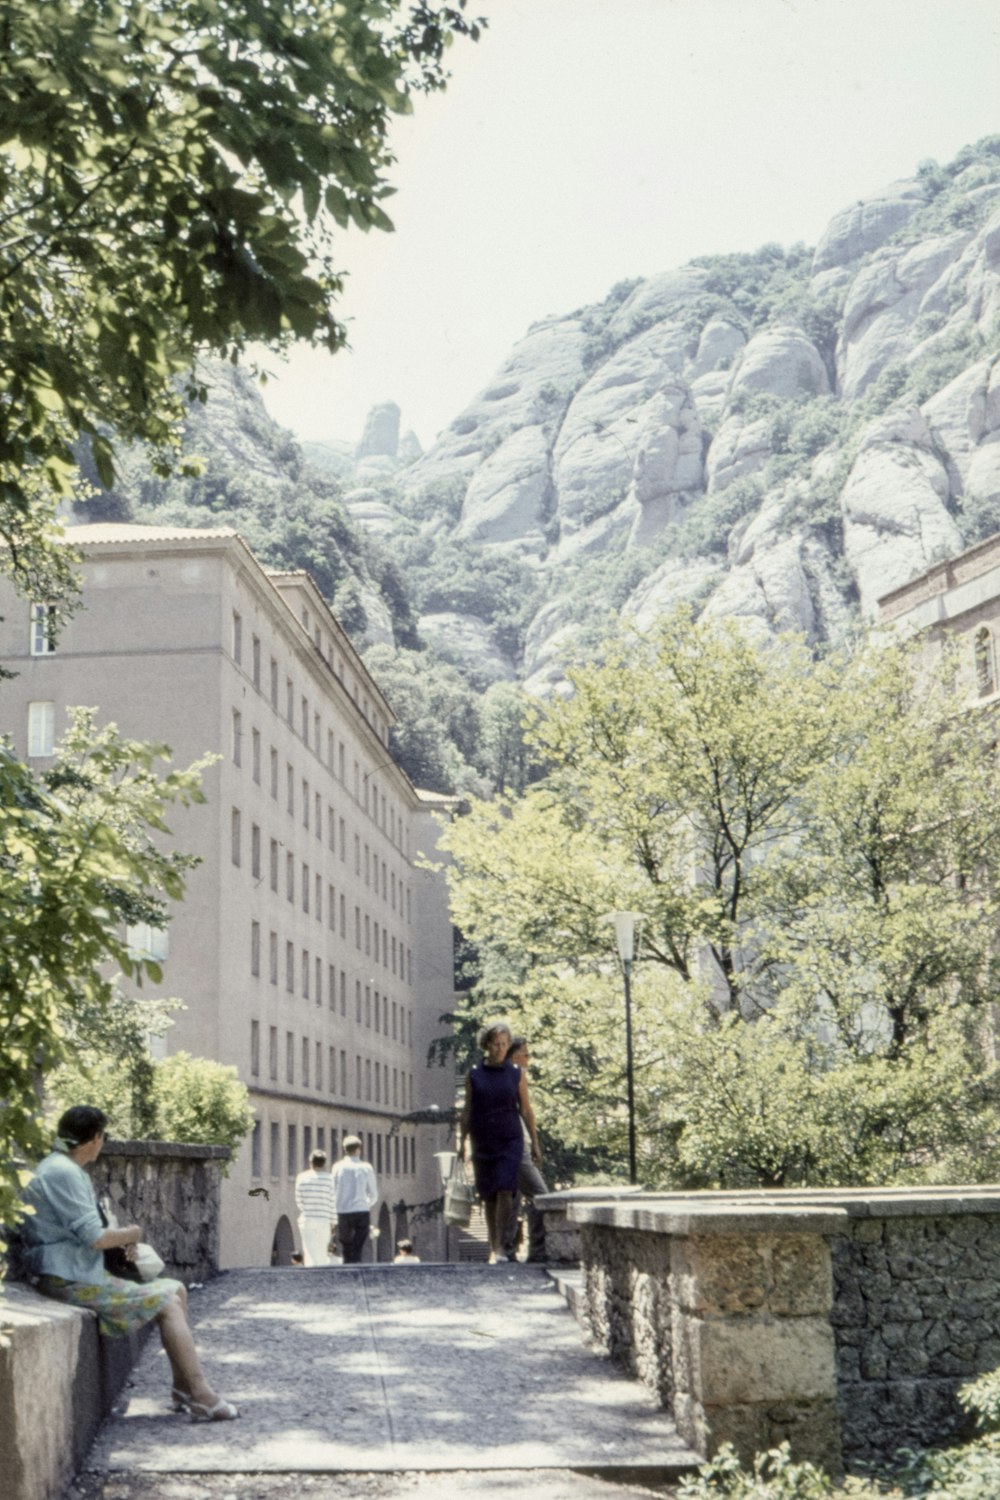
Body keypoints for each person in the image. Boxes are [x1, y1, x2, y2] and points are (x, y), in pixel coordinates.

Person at [20, 1105, 238, 1423]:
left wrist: (125, 1243)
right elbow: (94, 1238)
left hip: (76, 1271)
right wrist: (132, 1234)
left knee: (175, 1288)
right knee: (167, 1302)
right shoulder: (63, 1173)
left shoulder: (60, 1168)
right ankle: (202, 1394)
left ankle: (181, 1388)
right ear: (95, 1138)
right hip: (69, 1278)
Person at [459, 1021, 540, 1265]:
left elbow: (526, 1110)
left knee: (506, 1189)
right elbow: (467, 1110)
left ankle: (501, 1248)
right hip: (482, 1138)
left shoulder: (517, 1074)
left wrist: (535, 1142)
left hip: (510, 1138)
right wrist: (461, 1141)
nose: (501, 1049)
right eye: (496, 1044)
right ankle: (494, 1246)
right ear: (486, 1045)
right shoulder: (474, 1074)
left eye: (505, 1044)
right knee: (489, 1194)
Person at [502, 1036, 549, 1263]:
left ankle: (506, 1250)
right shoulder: (516, 1074)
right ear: (514, 1056)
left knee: (513, 1196)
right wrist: (536, 1144)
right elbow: (527, 1111)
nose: (529, 1059)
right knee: (541, 1195)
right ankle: (539, 1250)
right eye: (526, 1054)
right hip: (515, 1141)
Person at [331, 1135, 378, 1264]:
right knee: (358, 1245)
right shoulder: (366, 1167)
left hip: (343, 1211)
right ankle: (356, 1264)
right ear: (359, 1149)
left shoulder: (337, 1167)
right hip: (361, 1210)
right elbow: (373, 1193)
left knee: (346, 1245)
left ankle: (347, 1265)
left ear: (344, 1149)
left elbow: (333, 1189)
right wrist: (366, 1204)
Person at [294, 1148, 337, 1267]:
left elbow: (299, 1200)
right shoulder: (329, 1179)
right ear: (324, 1163)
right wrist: (333, 1222)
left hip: (307, 1219)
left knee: (309, 1252)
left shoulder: (301, 1177)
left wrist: (307, 1209)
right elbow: (332, 1202)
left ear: (310, 1162)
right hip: (324, 1220)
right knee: (322, 1253)